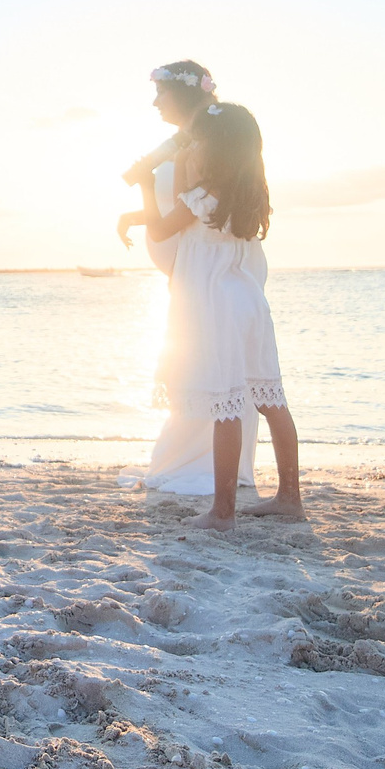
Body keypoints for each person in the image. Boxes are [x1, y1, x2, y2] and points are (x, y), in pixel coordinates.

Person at [134, 101, 301, 529]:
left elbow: (158, 229)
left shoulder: (202, 197)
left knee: (225, 403)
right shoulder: (248, 194)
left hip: (216, 303)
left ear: (215, 150)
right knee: (271, 400)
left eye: (199, 144)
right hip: (248, 301)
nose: (193, 151)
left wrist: (144, 185)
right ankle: (289, 498)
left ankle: (223, 512)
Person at [117, 62, 258, 495]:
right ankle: (208, 466)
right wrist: (141, 208)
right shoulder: (187, 140)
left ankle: (215, 477)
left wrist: (145, 193)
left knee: (218, 371)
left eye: (161, 92)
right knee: (212, 371)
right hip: (203, 273)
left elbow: (191, 209)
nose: (155, 101)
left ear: (186, 93)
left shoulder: (209, 141)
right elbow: (196, 208)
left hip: (210, 276)